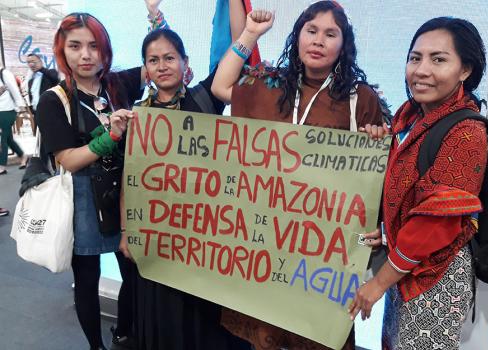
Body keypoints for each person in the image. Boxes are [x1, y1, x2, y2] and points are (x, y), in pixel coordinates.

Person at [212, 2, 385, 349]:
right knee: (268, 336)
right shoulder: (271, 84)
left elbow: (373, 180)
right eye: (311, 30)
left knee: (318, 337)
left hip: (323, 253)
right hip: (271, 243)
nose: (319, 40)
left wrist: (376, 139)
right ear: (298, 36)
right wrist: (250, 34)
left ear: (343, 44)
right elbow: (221, 85)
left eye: (330, 33)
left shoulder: (359, 98)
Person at [350, 17, 488, 350]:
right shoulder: (412, 116)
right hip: (406, 271)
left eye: (438, 59)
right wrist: (378, 142)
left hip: (433, 282)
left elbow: (434, 225)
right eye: (416, 58)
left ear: (465, 70)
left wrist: (378, 284)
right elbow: (408, 191)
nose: (422, 70)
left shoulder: (467, 134)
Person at [33, 3, 164, 347]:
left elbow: (160, 58)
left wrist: (155, 15)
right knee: (87, 281)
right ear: (63, 50)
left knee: (133, 274)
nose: (85, 55)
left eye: (94, 46)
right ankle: (96, 346)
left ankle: (123, 331)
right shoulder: (53, 100)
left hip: (123, 196)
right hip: (83, 201)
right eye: (75, 46)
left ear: (105, 51)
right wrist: (112, 136)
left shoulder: (116, 84)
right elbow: (69, 160)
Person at [117, 27, 251, 350]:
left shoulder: (205, 98)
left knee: (202, 321)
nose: (162, 65)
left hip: (202, 241)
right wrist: (125, 231)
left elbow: (231, 62)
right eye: (153, 60)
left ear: (184, 62)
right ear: (145, 69)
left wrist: (251, 31)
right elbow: (128, 179)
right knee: (161, 319)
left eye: (169, 58)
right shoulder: (138, 116)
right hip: (155, 238)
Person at [0, 66, 28, 174]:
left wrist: (22, 107)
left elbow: (15, 90)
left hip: (7, 110)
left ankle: (1, 165)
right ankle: (23, 156)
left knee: (2, 138)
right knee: (8, 138)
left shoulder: (4, 73)